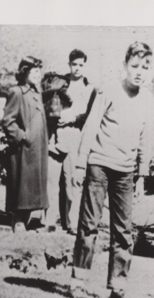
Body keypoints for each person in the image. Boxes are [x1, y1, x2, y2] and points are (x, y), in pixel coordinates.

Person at [70, 42, 154, 298]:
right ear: (125, 66)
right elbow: (90, 126)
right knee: (89, 225)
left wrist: (142, 176)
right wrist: (80, 165)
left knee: (123, 231)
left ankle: (117, 287)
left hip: (126, 172)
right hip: (99, 165)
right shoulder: (108, 90)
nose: (139, 72)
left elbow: (146, 138)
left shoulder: (148, 100)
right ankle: (78, 282)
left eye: (145, 67)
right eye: (134, 66)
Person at [45, 49, 96, 234]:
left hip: (75, 137)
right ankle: (49, 221)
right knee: (51, 182)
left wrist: (73, 118)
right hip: (56, 136)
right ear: (69, 64)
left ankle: (72, 222)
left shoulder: (90, 89)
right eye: (74, 64)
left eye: (81, 65)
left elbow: (91, 116)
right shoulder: (60, 83)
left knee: (72, 183)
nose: (77, 68)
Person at [1, 56, 49, 233]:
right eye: (35, 71)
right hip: (23, 151)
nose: (38, 75)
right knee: (22, 186)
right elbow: (8, 121)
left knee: (33, 187)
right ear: (24, 73)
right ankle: (18, 220)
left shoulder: (37, 93)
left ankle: (27, 218)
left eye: (39, 71)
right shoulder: (17, 92)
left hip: (38, 149)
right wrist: (23, 136)